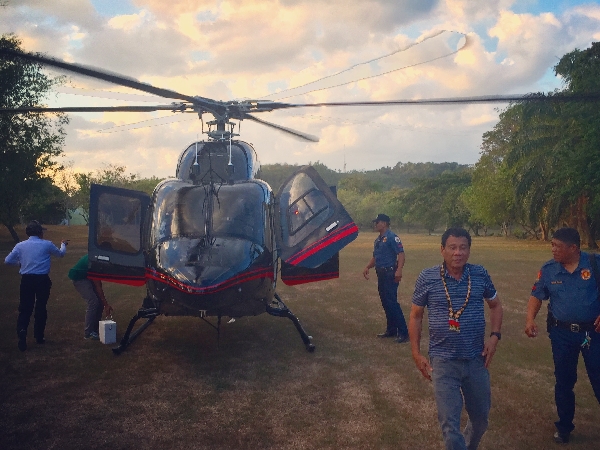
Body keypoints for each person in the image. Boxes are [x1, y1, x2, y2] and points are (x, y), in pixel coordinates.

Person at [409, 227, 503, 450]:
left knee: (480, 419)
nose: (457, 253)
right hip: (443, 361)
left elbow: (496, 305)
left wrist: (494, 337)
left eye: (463, 248)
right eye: (452, 247)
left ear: (469, 250)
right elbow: (416, 315)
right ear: (442, 250)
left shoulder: (479, 274)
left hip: (476, 359)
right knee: (450, 426)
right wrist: (416, 352)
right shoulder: (428, 277)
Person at [525, 227, 600, 444]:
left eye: (557, 246)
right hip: (562, 335)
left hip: (592, 333)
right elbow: (536, 296)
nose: (553, 249)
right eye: (552, 245)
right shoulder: (549, 270)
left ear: (573, 248)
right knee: (564, 381)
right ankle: (564, 427)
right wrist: (530, 319)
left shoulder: (594, 264)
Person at [4, 220, 68, 351]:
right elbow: (60, 254)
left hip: (26, 280)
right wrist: (63, 244)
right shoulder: (47, 244)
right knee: (41, 307)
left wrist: (20, 264)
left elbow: (8, 260)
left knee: (25, 308)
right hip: (42, 280)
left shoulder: (20, 245)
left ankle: (22, 332)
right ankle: (39, 335)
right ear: (39, 233)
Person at [363, 213, 408, 343]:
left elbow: (401, 254)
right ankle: (391, 329)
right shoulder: (378, 240)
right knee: (385, 302)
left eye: (377, 222)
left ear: (384, 223)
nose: (375, 224)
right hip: (381, 274)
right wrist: (368, 267)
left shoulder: (392, 237)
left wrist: (399, 270)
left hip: (390, 273)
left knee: (392, 302)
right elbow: (375, 257)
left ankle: (403, 332)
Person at [68, 254, 114, 340]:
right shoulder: (95, 263)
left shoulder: (99, 258)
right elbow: (98, 286)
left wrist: (104, 304)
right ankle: (88, 333)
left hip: (87, 276)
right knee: (93, 302)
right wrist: (106, 305)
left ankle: (95, 329)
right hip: (79, 278)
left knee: (99, 302)